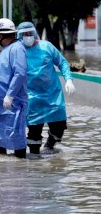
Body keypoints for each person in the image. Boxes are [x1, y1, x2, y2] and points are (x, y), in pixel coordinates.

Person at [17, 21, 76, 154]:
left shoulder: (47, 46)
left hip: (52, 95)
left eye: (29, 33)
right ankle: (34, 164)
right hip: (31, 97)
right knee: (34, 134)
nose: (27, 36)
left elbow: (62, 63)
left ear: (34, 33)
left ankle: (50, 143)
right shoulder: (18, 51)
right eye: (24, 34)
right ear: (19, 36)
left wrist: (69, 80)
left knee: (59, 129)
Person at [0, 18, 28, 159]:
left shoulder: (16, 49)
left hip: (12, 103)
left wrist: (10, 95)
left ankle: (21, 169)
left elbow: (20, 73)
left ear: (0, 35)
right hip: (0, 106)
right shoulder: (7, 50)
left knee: (16, 137)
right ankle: (0, 172)